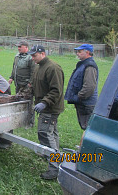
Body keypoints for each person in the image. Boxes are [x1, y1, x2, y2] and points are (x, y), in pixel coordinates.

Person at [28, 45, 64, 180]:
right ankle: (54, 157)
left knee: (45, 133)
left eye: (34, 56)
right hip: (44, 106)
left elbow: (56, 90)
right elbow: (34, 84)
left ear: (42, 54)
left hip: (50, 108)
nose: (32, 58)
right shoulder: (38, 67)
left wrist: (45, 102)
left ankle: (54, 169)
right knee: (52, 133)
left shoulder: (53, 68)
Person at [65, 44, 98, 130]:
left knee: (88, 128)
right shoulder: (84, 64)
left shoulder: (89, 66)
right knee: (85, 127)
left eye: (79, 52)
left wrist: (78, 97)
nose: (77, 54)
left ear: (87, 52)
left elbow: (89, 87)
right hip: (83, 103)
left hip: (87, 104)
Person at [8, 41, 36, 127]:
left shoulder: (30, 58)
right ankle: (19, 120)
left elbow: (33, 72)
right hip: (18, 84)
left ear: (26, 47)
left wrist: (30, 84)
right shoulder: (17, 56)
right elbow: (14, 68)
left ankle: (29, 123)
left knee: (28, 104)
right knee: (18, 102)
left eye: (20, 46)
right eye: (18, 46)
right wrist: (11, 77)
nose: (18, 48)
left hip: (26, 85)